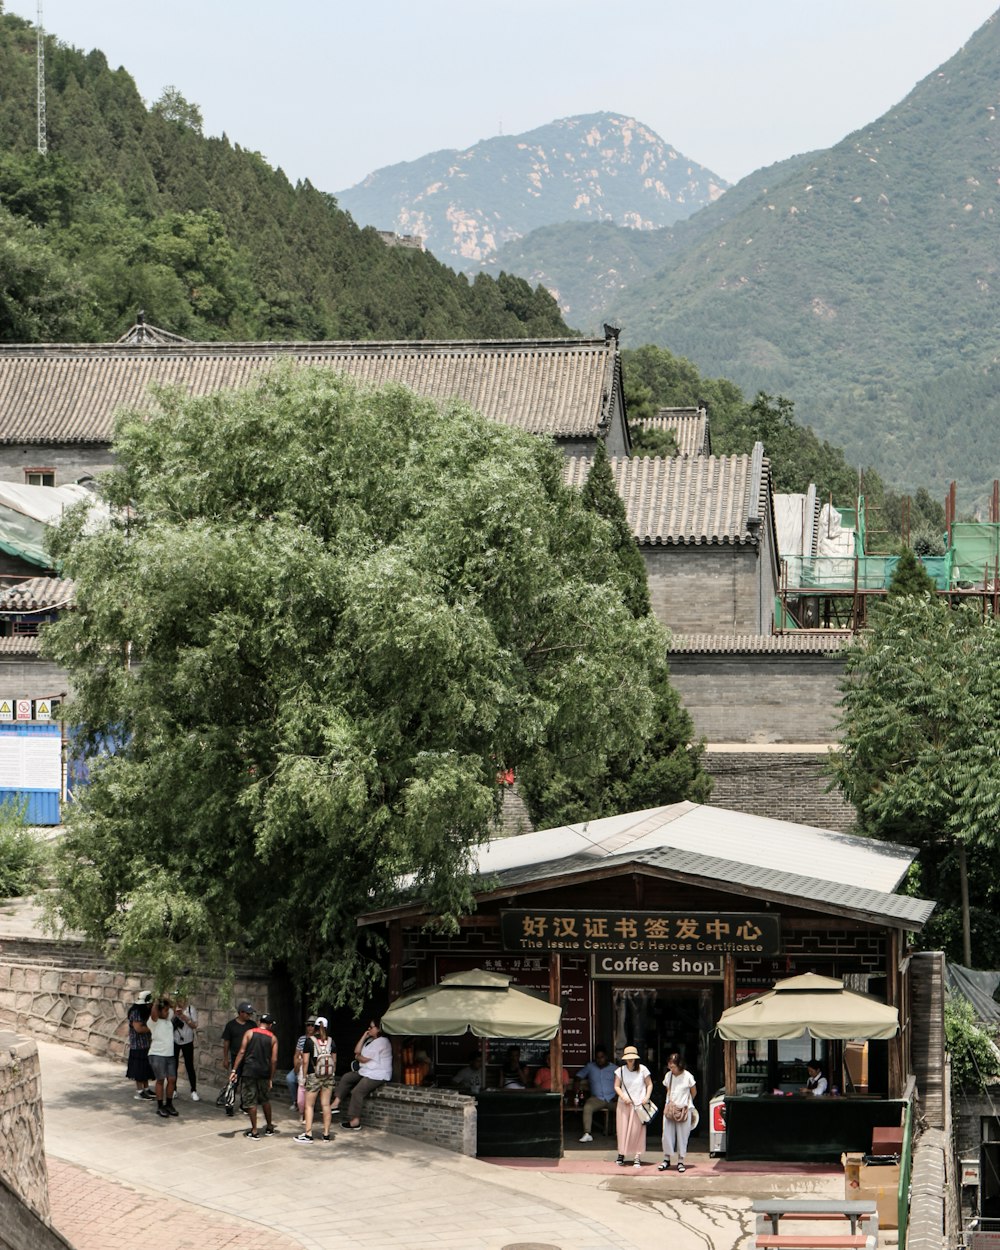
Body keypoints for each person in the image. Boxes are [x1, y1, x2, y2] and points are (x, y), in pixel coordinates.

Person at [332, 1017, 392, 1130]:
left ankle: (355, 1121)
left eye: (371, 1027)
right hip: (366, 1071)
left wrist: (358, 1057)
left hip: (377, 1073)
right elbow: (356, 1051)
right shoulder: (370, 1041)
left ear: (379, 1029)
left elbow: (363, 1059)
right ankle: (336, 1103)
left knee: (357, 1092)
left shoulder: (382, 1042)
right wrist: (364, 1036)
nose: (369, 1029)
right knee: (347, 1077)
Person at [230, 1012, 279, 1140]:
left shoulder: (249, 1033)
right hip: (264, 1072)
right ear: (269, 1025)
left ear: (259, 1022)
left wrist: (234, 1070)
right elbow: (274, 1060)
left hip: (249, 1071)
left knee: (250, 1101)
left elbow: (241, 1051)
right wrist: (271, 1077)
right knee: (265, 1099)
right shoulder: (273, 1038)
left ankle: (255, 1130)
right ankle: (269, 1126)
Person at [293, 1016, 337, 1143]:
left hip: (314, 1075)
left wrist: (305, 1076)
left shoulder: (309, 1041)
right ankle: (326, 1134)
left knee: (309, 1105)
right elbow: (334, 1061)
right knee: (326, 1104)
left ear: (316, 1027)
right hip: (328, 1076)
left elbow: (305, 1061)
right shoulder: (331, 1041)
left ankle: (308, 1134)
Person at [614, 1044, 652, 1169]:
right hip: (624, 1104)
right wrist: (623, 1096)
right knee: (622, 1130)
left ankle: (637, 1156)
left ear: (636, 1058)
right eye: (628, 1058)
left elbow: (649, 1084)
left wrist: (646, 1098)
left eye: (632, 1057)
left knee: (638, 1131)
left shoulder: (643, 1070)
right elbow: (616, 1086)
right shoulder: (620, 1071)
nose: (630, 1060)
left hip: (638, 1105)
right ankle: (621, 1154)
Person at [659, 1052, 697, 1173]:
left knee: (683, 1135)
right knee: (666, 1134)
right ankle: (666, 1159)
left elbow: (694, 1092)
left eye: (673, 1066)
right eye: (670, 1066)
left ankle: (681, 1160)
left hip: (684, 1109)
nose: (671, 1069)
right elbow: (668, 1090)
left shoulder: (688, 1076)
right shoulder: (668, 1076)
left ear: (680, 1065)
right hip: (670, 1108)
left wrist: (687, 1103)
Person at [574, 1045, 616, 1142]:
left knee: (624, 1108)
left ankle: (622, 1134)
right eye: (597, 1057)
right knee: (587, 1107)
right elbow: (578, 1077)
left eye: (602, 1057)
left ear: (606, 1057)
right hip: (597, 1099)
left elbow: (623, 1082)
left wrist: (618, 1096)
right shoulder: (590, 1066)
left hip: (613, 1098)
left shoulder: (615, 1068)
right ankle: (587, 1133)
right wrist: (576, 1092)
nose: (599, 1060)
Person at [221, 1001, 255, 1118]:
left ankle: (244, 1105)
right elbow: (226, 1043)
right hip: (236, 1057)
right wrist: (225, 1058)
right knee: (234, 1082)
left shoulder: (252, 1025)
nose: (249, 1016)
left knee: (247, 1083)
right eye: (247, 1013)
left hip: (249, 1058)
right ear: (241, 1013)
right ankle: (229, 1105)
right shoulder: (231, 1025)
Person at [148, 995, 179, 1119]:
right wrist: (157, 1001)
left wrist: (165, 1000)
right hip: (157, 1055)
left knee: (172, 1079)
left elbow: (173, 1006)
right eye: (165, 1010)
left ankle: (169, 1104)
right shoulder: (153, 1022)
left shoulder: (167, 1019)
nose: (168, 1012)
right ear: (159, 1011)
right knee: (160, 1080)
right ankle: (160, 1106)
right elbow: (154, 1012)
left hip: (169, 1055)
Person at [126, 990, 155, 1100]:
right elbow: (138, 1028)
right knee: (139, 1070)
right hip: (138, 1046)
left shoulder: (143, 1012)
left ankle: (146, 1089)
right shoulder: (136, 1012)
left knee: (145, 1069)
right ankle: (140, 1091)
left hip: (145, 1044)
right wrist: (152, 1028)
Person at [172, 994, 200, 1101]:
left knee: (189, 1065)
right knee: (173, 1065)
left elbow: (195, 1025)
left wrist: (184, 1017)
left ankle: (193, 1090)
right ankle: (173, 1089)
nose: (180, 1001)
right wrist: (175, 1015)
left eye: (182, 998)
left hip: (187, 1040)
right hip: (175, 1040)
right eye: (178, 998)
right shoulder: (172, 1009)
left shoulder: (190, 1009)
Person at [287, 1016, 316, 1113]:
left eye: (312, 1025)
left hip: (313, 1067)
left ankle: (309, 1104)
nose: (310, 1027)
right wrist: (296, 1067)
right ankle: (296, 1102)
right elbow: (296, 1054)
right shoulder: (302, 1039)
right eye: (308, 1025)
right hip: (301, 1064)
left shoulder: (318, 1040)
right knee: (290, 1078)